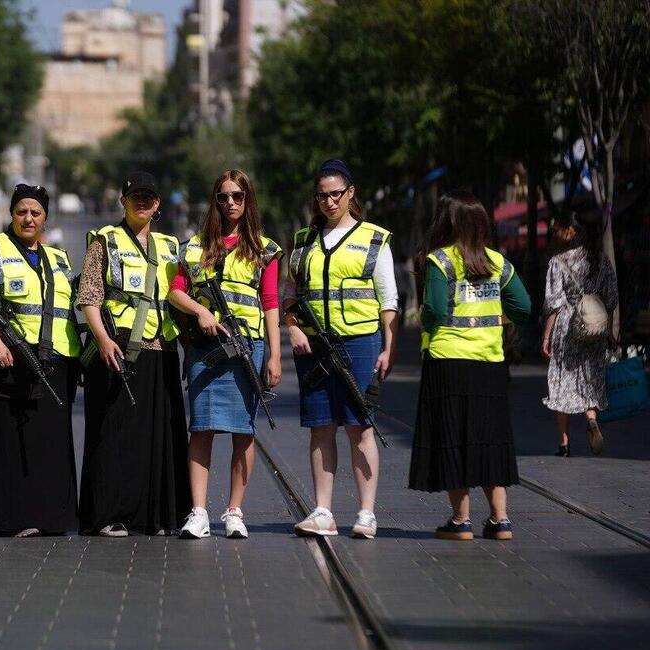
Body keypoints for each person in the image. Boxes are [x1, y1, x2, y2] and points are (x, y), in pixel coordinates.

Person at [282, 159, 398, 540]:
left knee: (359, 428)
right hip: (314, 347)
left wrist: (388, 348)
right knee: (320, 428)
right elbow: (290, 294)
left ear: (351, 193)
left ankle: (366, 514)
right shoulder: (302, 241)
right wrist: (292, 328)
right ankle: (323, 512)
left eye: (336, 194)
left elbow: (389, 300)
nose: (329, 201)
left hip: (360, 343)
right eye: (322, 195)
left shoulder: (374, 238)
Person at [408, 191, 531, 541]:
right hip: (490, 364)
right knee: (490, 438)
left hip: (447, 362)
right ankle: (500, 519)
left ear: (446, 223)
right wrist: (499, 317)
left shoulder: (440, 261)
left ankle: (460, 521)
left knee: (453, 436)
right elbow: (523, 307)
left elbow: (431, 309)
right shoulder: (498, 262)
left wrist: (431, 329)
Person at [169, 170, 283, 539]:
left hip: (247, 346)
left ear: (248, 200)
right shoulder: (195, 246)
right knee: (201, 429)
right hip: (207, 349)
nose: (230, 203)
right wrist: (200, 312)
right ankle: (199, 511)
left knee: (242, 432)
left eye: (237, 196)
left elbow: (270, 303)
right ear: (214, 201)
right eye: (223, 196)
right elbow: (175, 292)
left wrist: (275, 356)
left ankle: (234, 511)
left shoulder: (264, 249)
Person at [77, 171, 191, 537]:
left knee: (158, 436)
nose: (143, 202)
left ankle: (151, 515)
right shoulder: (105, 241)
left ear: (158, 204)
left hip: (161, 351)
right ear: (123, 201)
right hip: (116, 350)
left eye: (150, 197)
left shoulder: (171, 246)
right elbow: (89, 296)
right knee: (114, 435)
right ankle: (110, 514)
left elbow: (179, 298)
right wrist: (102, 339)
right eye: (135, 196)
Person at [0, 184, 80, 537]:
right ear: (11, 214)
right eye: (21, 212)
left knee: (48, 441)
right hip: (11, 359)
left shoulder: (59, 257)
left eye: (35, 213)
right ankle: (11, 516)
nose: (28, 218)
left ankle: (49, 516)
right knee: (8, 440)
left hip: (56, 360)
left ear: (45, 218)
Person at [541, 212, 618, 456]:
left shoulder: (558, 261)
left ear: (571, 231)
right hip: (594, 325)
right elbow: (612, 297)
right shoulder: (600, 260)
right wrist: (610, 331)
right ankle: (592, 418)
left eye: (558, 228)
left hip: (567, 327)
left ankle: (564, 444)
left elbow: (553, 303)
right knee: (590, 378)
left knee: (562, 381)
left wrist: (546, 336)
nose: (555, 232)